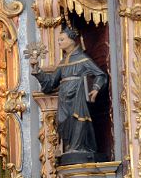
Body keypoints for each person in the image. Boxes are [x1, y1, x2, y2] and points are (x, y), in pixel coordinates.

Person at [30, 25, 107, 163]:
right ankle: (71, 147)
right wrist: (37, 70)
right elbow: (51, 83)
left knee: (79, 121)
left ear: (72, 40)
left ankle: (80, 148)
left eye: (62, 39)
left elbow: (100, 75)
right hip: (64, 98)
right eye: (58, 40)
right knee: (63, 122)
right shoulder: (63, 62)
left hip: (79, 96)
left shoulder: (83, 58)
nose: (59, 42)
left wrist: (95, 88)